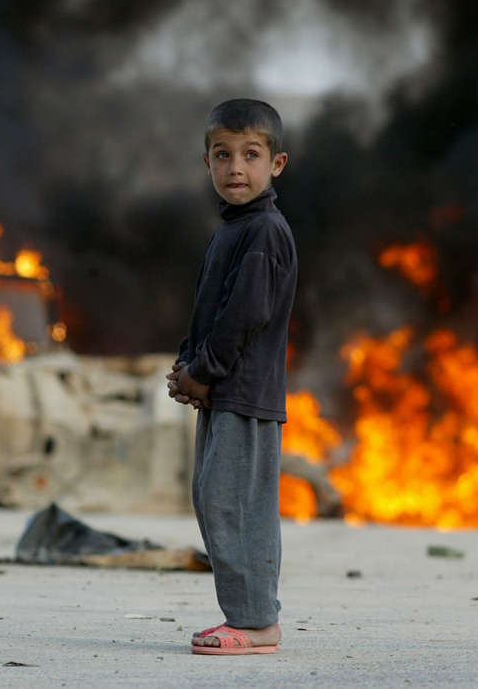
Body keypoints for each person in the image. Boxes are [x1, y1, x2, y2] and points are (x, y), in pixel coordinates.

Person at [167, 98, 297, 656]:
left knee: (234, 505)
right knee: (213, 498)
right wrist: (187, 365)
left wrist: (204, 371)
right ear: (207, 163)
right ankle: (246, 617)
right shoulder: (232, 229)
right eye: (223, 156)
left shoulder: (264, 230)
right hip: (222, 392)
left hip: (244, 395)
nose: (236, 168)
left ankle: (255, 623)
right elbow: (209, 309)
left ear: (277, 164)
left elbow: (245, 315)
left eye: (250, 155)